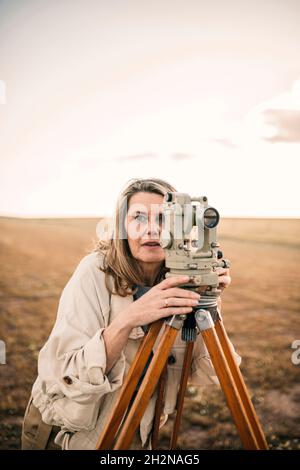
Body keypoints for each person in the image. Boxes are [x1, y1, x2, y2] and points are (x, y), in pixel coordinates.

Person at [21, 178, 238, 450]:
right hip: (64, 430)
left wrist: (208, 298)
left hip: (133, 432)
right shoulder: (94, 272)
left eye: (163, 218)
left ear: (183, 225)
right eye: (138, 217)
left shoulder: (182, 279)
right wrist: (128, 319)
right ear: (122, 226)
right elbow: (64, 375)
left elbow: (211, 374)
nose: (151, 229)